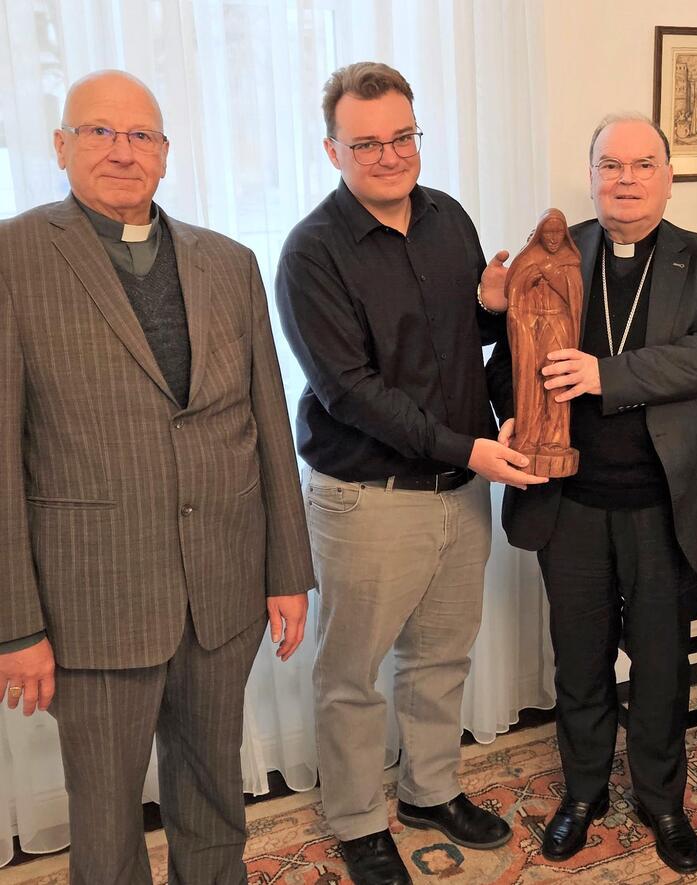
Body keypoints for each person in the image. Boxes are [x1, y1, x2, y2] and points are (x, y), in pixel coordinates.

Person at [0, 70, 312, 884]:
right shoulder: (11, 256)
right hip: (91, 599)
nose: (121, 150)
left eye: (141, 135)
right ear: (61, 146)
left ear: (166, 155)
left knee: (214, 793)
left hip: (223, 588)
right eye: (99, 131)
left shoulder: (229, 262)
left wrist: (287, 572)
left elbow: (268, 426)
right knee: (104, 821)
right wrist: (15, 624)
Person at [274, 62, 541, 885]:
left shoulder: (450, 220)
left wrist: (494, 311)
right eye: (368, 143)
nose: (390, 155)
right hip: (368, 498)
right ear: (332, 149)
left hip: (461, 491)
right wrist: (470, 450)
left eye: (403, 137)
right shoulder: (311, 253)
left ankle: (429, 789)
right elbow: (350, 392)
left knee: (441, 657)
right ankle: (357, 819)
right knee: (352, 673)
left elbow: (463, 350)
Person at [489, 112, 697, 876]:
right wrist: (505, 420)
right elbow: (503, 358)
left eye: (643, 164)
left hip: (664, 504)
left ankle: (662, 797)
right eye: (611, 165)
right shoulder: (553, 253)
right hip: (570, 503)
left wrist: (608, 376)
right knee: (580, 658)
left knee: (664, 663)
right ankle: (582, 791)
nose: (626, 179)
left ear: (669, 176)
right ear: (592, 173)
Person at [505, 209, 582, 468]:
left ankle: (555, 439)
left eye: (558, 233)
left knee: (556, 381)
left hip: (559, 325)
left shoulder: (570, 260)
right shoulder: (529, 259)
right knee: (529, 381)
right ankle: (529, 436)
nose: (552, 238)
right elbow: (514, 294)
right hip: (530, 326)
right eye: (547, 233)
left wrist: (553, 276)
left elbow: (574, 299)